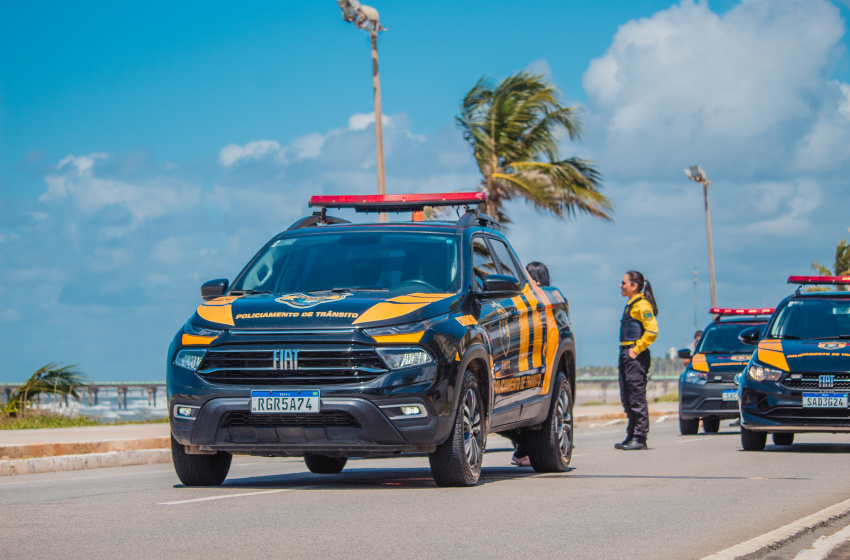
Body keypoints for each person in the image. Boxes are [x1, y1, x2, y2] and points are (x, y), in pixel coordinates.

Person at [509, 261, 550, 467]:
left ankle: (526, 451)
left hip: (536, 369)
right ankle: (523, 451)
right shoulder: (529, 302)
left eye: (527, 277)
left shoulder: (540, 304)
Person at [615, 270, 659, 451]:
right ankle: (631, 434)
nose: (621, 285)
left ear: (634, 286)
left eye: (624, 282)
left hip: (635, 356)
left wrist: (636, 349)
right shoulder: (630, 304)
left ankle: (640, 437)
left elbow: (652, 331)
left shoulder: (642, 305)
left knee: (636, 398)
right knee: (627, 397)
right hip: (625, 353)